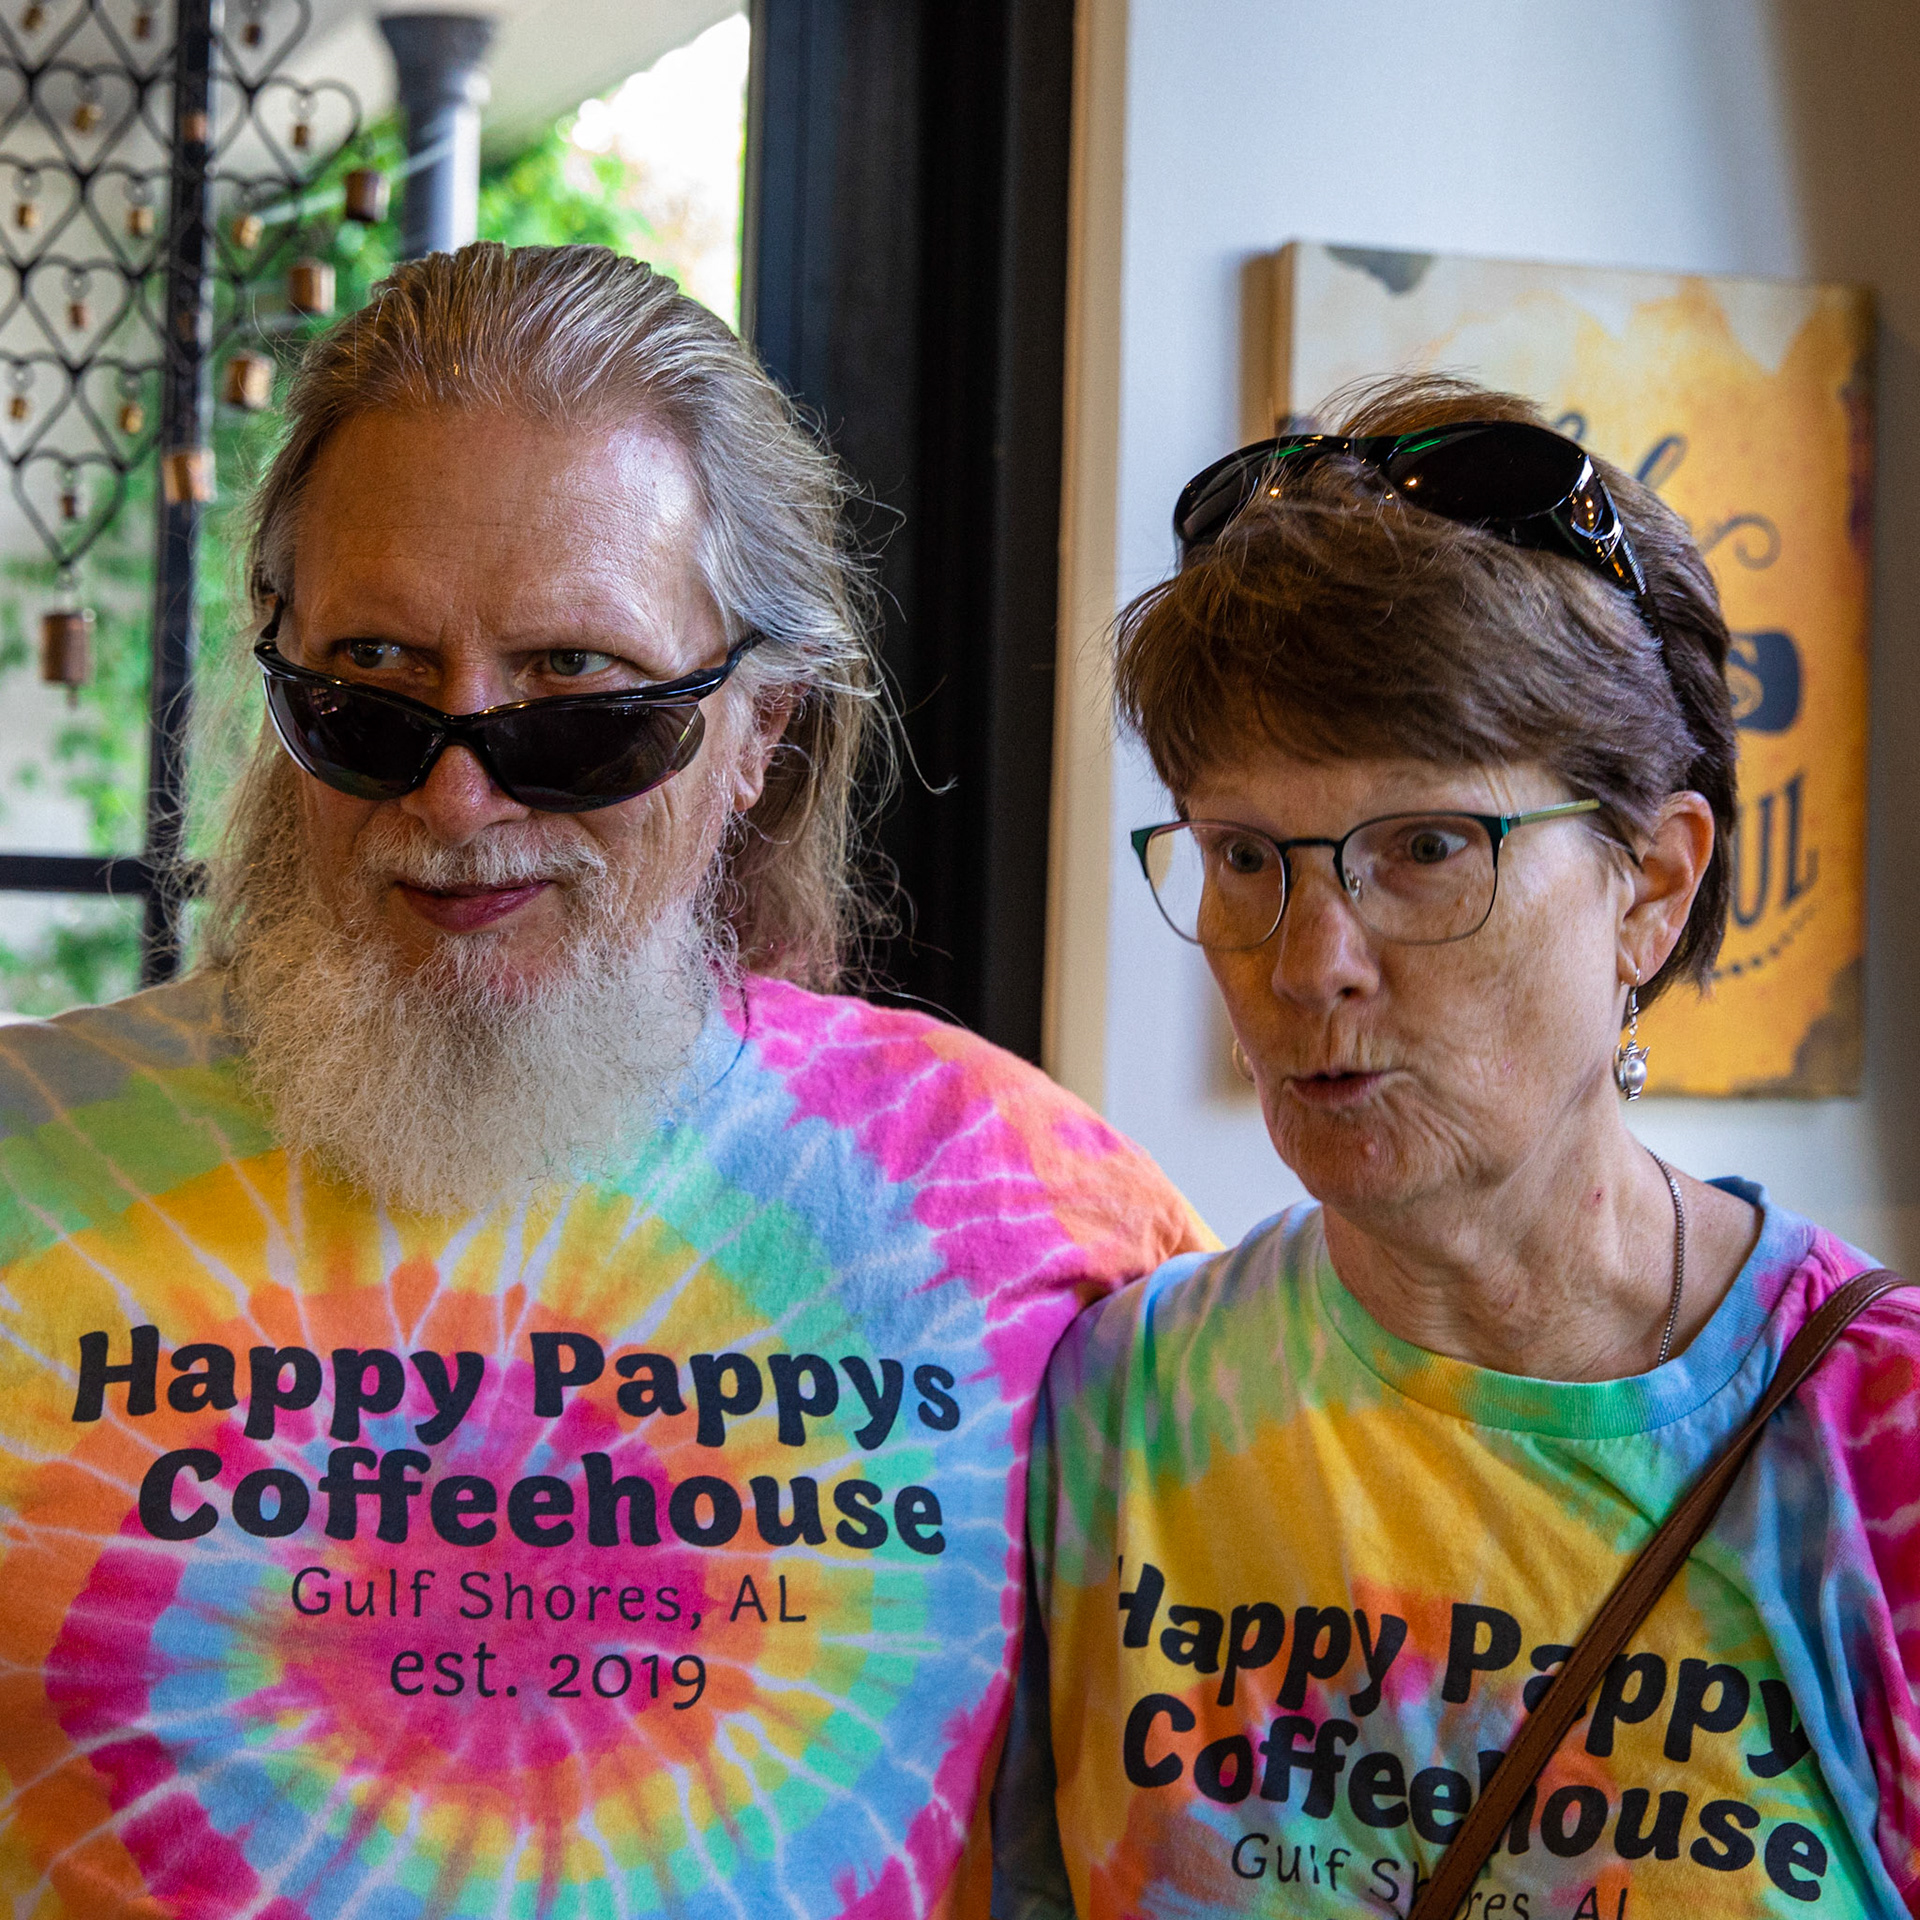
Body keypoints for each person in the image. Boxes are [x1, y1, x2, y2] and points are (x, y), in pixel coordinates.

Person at [0, 243, 1205, 1919]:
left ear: (759, 730)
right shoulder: (25, 1162)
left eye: (577, 701)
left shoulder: (1030, 1214)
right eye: (369, 691)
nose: (459, 798)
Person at [993, 375, 1920, 1919]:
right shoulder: (1119, 1409)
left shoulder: (1877, 1447)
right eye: (1245, 857)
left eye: (1427, 848)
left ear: (1653, 886)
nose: (1311, 963)